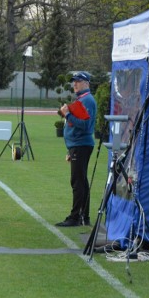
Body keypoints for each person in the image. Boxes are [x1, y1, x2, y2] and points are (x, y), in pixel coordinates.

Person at [56, 71, 96, 227]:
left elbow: (85, 125)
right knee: (81, 181)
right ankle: (83, 216)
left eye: (78, 81)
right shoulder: (83, 99)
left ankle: (75, 217)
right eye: (74, 81)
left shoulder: (87, 100)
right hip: (78, 145)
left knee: (77, 181)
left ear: (86, 83)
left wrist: (67, 115)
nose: (75, 84)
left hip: (81, 144)